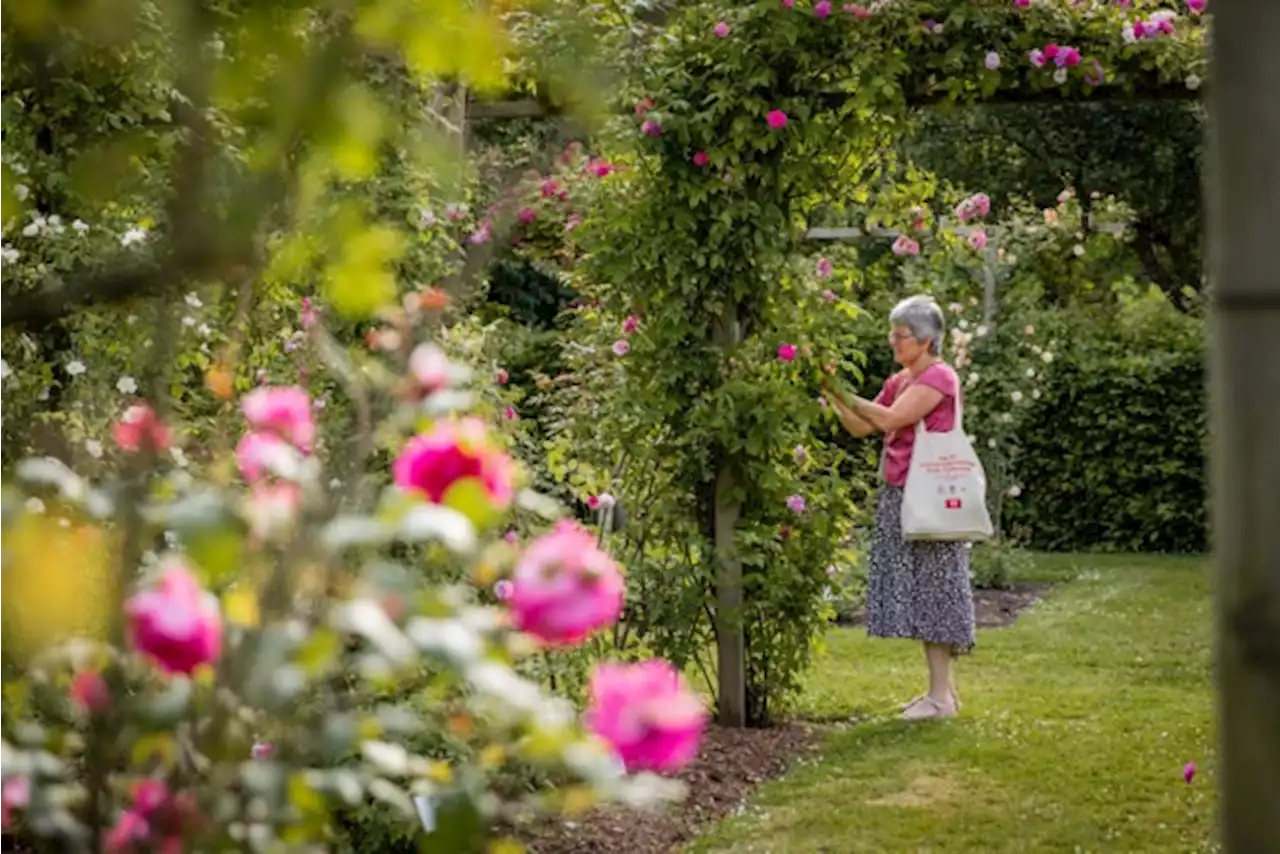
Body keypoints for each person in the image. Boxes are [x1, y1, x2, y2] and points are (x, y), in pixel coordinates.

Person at [821, 294, 976, 720]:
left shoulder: (939, 377)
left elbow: (889, 421)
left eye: (901, 335)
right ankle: (941, 694)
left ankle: (941, 698)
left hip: (930, 497)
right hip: (904, 496)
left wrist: (838, 388)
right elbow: (860, 425)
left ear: (927, 340)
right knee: (925, 590)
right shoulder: (901, 380)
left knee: (937, 589)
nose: (893, 342)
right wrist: (830, 393)